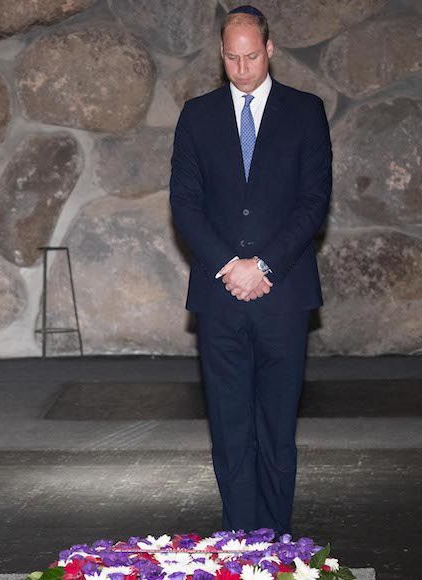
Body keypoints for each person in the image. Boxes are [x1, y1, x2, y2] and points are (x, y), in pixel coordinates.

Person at [169, 5, 332, 535]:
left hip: (282, 293)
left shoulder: (306, 112)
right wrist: (228, 266)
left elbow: (314, 202)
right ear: (222, 54)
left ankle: (276, 541)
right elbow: (185, 204)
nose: (242, 68)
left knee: (277, 428)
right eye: (233, 58)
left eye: (252, 56)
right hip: (219, 298)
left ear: (271, 49)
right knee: (230, 426)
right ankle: (239, 540)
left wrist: (262, 265)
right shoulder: (196, 115)